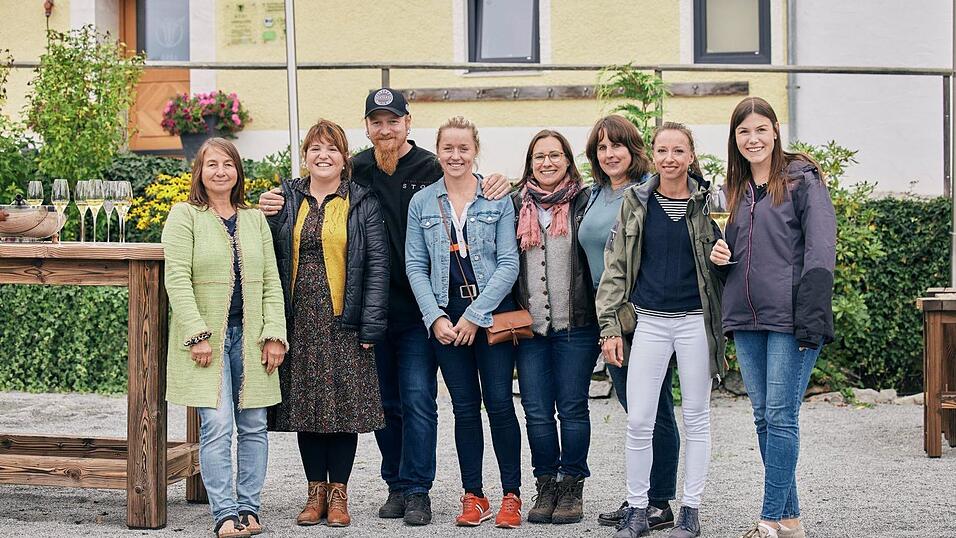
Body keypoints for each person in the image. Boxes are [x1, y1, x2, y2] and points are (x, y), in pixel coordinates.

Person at [258, 88, 511, 526]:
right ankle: (395, 484)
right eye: (377, 122)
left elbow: (469, 181)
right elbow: (315, 185)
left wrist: (501, 181)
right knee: (385, 405)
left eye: (393, 120)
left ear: (407, 123)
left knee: (418, 400)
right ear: (368, 128)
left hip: (420, 310)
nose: (386, 129)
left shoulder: (431, 166)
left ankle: (417, 491)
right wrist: (272, 199)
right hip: (368, 311)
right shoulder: (358, 167)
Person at [710, 97, 836, 538]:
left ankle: (767, 519)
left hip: (791, 318)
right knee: (764, 417)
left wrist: (813, 318)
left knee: (782, 417)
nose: (753, 139)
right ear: (735, 139)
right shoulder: (736, 191)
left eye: (761, 129)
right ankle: (791, 520)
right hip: (746, 318)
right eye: (744, 132)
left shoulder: (803, 181)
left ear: (776, 131)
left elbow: (821, 250)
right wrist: (719, 256)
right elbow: (736, 257)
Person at [597, 122, 726, 538]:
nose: (670, 158)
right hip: (649, 323)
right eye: (663, 150)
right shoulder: (636, 201)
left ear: (691, 156)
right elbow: (615, 268)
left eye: (679, 151)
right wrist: (610, 326)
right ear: (653, 156)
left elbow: (728, 266)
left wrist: (726, 259)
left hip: (693, 324)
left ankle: (690, 510)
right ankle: (638, 508)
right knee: (639, 421)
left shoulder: (709, 205)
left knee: (697, 418)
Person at [266, 119, 389, 528]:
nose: (323, 155)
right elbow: (269, 252)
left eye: (332, 149)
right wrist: (266, 212)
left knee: (342, 410)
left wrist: (371, 325)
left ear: (344, 158)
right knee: (306, 408)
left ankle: (339, 496)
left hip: (345, 321)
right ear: (305, 155)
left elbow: (376, 265)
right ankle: (314, 491)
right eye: (316, 148)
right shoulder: (287, 197)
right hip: (299, 319)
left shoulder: (362, 200)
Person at [162, 138, 287, 538]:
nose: (220, 171)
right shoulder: (185, 216)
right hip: (207, 342)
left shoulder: (254, 220)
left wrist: (274, 335)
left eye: (228, 164)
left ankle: (249, 509)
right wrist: (196, 333)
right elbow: (177, 279)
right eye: (211, 164)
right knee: (217, 426)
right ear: (199, 172)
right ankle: (225, 515)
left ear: (238, 172)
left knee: (253, 425)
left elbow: (271, 281)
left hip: (251, 339)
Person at [405, 116, 523, 528]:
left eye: (464, 148)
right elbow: (415, 265)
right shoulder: (422, 203)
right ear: (438, 152)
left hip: (490, 315)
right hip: (444, 319)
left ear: (475, 151)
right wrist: (434, 316)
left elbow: (509, 263)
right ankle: (474, 495)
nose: (456, 156)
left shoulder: (496, 198)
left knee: (500, 404)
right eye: (448, 148)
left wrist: (476, 315)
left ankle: (512, 494)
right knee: (464, 409)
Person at [581, 115, 681, 530]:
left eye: (616, 145)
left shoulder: (648, 194)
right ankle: (640, 496)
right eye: (601, 147)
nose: (609, 154)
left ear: (633, 149)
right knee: (634, 408)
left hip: (642, 318)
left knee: (653, 408)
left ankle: (659, 501)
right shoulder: (591, 196)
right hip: (605, 318)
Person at [511, 129, 597, 525]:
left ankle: (571, 485)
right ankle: (545, 482)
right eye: (539, 156)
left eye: (555, 155)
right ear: (530, 162)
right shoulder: (514, 204)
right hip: (531, 330)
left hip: (576, 325)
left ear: (568, 159)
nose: (547, 163)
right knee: (536, 411)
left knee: (573, 408)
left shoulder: (586, 201)